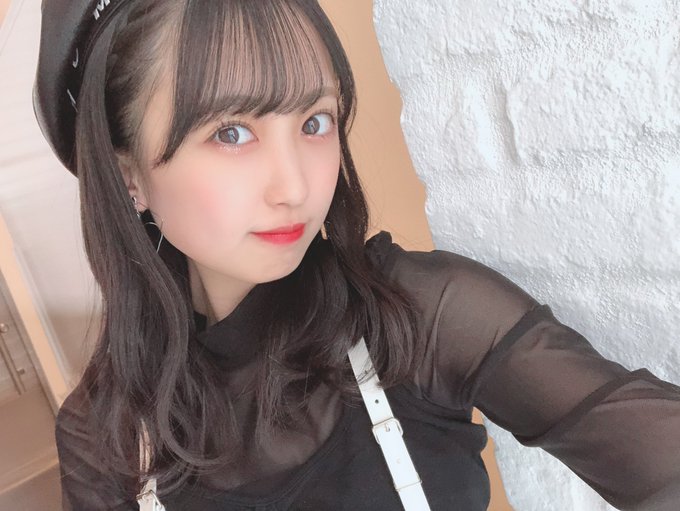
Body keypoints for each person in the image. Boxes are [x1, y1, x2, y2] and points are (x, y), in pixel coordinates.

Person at [33, 1, 680, 510]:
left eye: (314, 122)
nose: (295, 186)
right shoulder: (103, 437)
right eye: (231, 132)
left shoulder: (421, 317)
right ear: (129, 175)